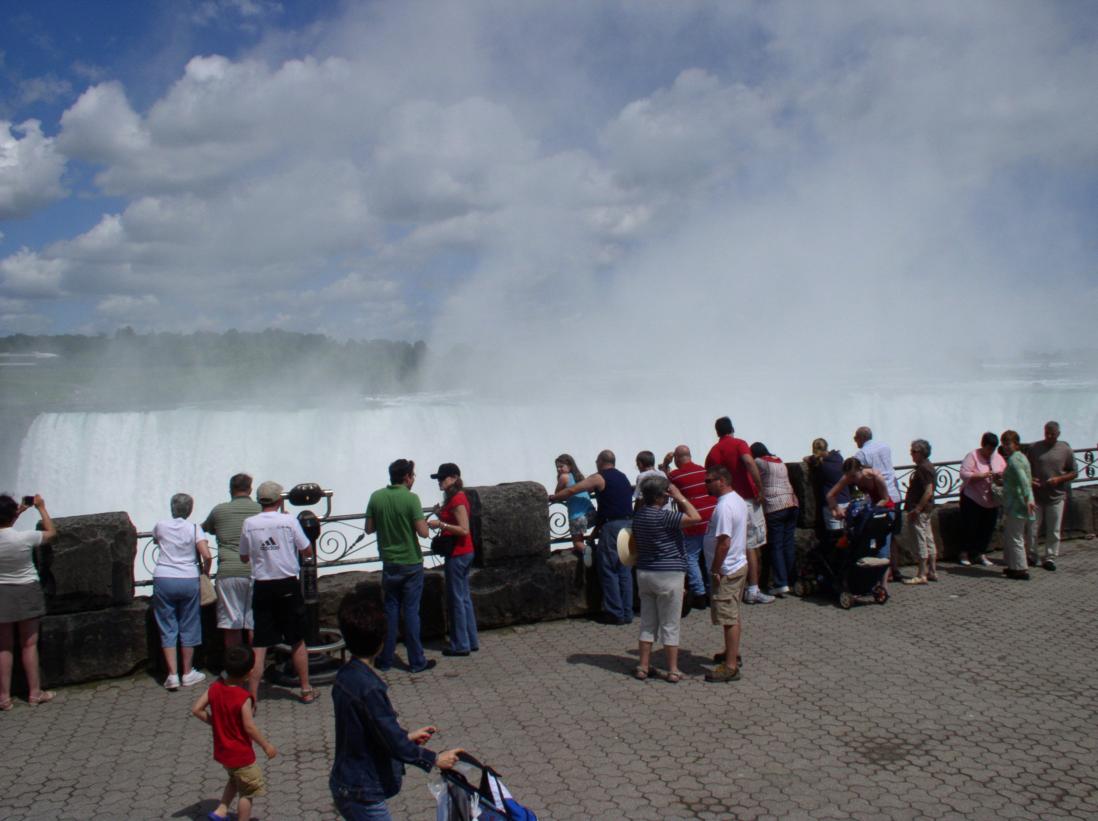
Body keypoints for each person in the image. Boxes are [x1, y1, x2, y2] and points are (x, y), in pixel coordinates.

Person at [330, 589, 461, 820]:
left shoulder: (344, 676)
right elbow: (391, 739)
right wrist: (434, 759)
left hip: (346, 782)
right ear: (381, 642)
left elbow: (372, 729)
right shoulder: (370, 688)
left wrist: (407, 737)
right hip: (363, 790)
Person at [239, 481, 315, 702]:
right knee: (297, 639)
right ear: (279, 500)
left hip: (262, 585)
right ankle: (306, 690)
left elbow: (243, 556)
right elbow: (307, 550)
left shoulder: (249, 523)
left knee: (260, 643)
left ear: (259, 501)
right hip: (287, 584)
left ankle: (252, 697)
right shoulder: (288, 521)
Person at [191, 646, 277, 821]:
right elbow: (249, 727)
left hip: (224, 752)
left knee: (235, 780)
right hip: (241, 755)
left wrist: (215, 722)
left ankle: (220, 812)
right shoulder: (242, 697)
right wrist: (266, 745)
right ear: (250, 672)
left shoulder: (215, 688)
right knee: (248, 791)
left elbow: (196, 709)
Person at [549, 450, 634, 625]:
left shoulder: (599, 477)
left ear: (601, 461)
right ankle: (627, 612)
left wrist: (554, 497)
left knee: (609, 570)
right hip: (628, 525)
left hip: (612, 527)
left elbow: (573, 489)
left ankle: (615, 613)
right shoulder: (623, 476)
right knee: (624, 570)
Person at [631, 474, 701, 683]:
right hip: (669, 573)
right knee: (670, 623)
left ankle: (643, 666)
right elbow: (695, 517)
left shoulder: (639, 516)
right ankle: (672, 669)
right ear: (660, 496)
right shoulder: (665, 517)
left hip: (645, 572)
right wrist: (680, 497)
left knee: (647, 622)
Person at [366, 459, 433, 672]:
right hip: (411, 563)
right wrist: (425, 522)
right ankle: (417, 661)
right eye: (413, 475)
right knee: (411, 612)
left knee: (391, 611)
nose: (414, 479)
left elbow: (369, 528)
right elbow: (423, 532)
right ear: (406, 477)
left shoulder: (376, 497)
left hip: (389, 562)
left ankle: (385, 659)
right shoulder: (411, 499)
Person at [705, 417, 772, 604]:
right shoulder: (739, 444)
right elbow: (749, 462)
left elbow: (709, 477)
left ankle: (737, 587)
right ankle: (753, 589)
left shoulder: (713, 451)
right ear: (732, 429)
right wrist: (760, 488)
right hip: (747, 499)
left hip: (726, 500)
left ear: (717, 432)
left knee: (731, 543)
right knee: (751, 545)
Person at [0, 494, 57, 709]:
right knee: (29, 644)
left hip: (2, 592)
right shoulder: (25, 538)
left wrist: (17, 512)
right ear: (12, 515)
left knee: (3, 646)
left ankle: (4, 698)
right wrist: (41, 508)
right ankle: (35, 693)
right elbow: (51, 533)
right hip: (27, 590)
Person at [152, 492, 212, 691]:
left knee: (167, 625)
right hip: (188, 578)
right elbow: (206, 555)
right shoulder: (194, 528)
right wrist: (205, 572)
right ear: (190, 510)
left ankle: (172, 675)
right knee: (189, 623)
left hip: (163, 577)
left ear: (172, 508)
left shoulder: (160, 526)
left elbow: (156, 541)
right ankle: (187, 673)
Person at [201, 473, 262, 648]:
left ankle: (235, 662)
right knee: (254, 623)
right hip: (257, 572)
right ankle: (256, 663)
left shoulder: (219, 511)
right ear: (250, 489)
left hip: (228, 572)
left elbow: (203, 529)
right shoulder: (260, 510)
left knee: (231, 624)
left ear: (230, 490)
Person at [701, 465, 749, 683]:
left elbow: (724, 542)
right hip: (736, 564)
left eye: (709, 481)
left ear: (721, 481)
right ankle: (731, 652)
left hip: (727, 568)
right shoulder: (736, 500)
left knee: (728, 617)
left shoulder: (724, 507)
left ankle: (730, 666)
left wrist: (715, 569)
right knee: (732, 613)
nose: (706, 485)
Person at [426, 463, 479, 657]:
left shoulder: (457, 499)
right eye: (438, 478)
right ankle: (471, 640)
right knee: (463, 598)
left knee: (456, 599)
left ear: (455, 478)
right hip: (464, 552)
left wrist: (441, 524)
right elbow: (456, 520)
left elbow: (464, 529)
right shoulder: (456, 497)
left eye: (443, 478)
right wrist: (441, 514)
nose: (439, 481)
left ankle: (460, 645)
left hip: (458, 553)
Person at [660, 445, 717, 610]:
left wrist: (665, 463)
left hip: (693, 521)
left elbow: (665, 482)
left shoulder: (676, 475)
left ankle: (699, 594)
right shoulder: (703, 471)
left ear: (677, 459)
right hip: (711, 519)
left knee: (691, 558)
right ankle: (713, 591)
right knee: (709, 558)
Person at [853, 426, 905, 581]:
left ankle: (882, 573)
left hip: (881, 499)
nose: (855, 441)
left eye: (855, 438)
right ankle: (894, 569)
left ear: (861, 438)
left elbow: (859, 476)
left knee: (880, 537)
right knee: (893, 535)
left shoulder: (861, 454)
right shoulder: (885, 447)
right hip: (895, 494)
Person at [1025, 421, 1077, 571]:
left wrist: (1059, 479)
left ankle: (1050, 557)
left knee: (1053, 529)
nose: (1048, 436)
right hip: (1036, 495)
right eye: (1046, 433)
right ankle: (1032, 555)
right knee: (1032, 527)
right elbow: (1026, 468)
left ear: (1058, 434)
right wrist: (1030, 480)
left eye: (1052, 434)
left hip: (1056, 496)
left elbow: (1074, 472)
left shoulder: (1065, 449)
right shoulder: (1034, 448)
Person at [750, 443, 799, 597]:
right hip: (792, 503)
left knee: (776, 545)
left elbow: (752, 475)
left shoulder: (759, 462)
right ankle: (793, 580)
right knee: (788, 544)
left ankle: (781, 583)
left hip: (775, 506)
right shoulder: (779, 460)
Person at [958, 432, 1006, 566]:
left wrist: (999, 477)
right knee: (970, 527)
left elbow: (1004, 472)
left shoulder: (998, 458)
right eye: (988, 448)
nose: (990, 452)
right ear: (983, 445)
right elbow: (963, 474)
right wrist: (982, 476)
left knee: (987, 528)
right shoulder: (972, 455)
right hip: (973, 498)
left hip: (992, 500)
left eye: (993, 449)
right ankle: (964, 553)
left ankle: (980, 553)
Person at [999, 430, 1036, 580]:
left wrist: (1029, 499)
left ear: (1016, 444)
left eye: (1008, 444)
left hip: (1017, 504)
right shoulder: (1021, 457)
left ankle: (1021, 569)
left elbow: (1023, 481)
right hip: (1018, 503)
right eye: (1004, 444)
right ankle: (1013, 566)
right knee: (1012, 536)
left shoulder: (1014, 460)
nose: (1005, 447)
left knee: (1016, 537)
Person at [902, 439, 939, 586]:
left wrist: (917, 509)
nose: (911, 454)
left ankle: (922, 574)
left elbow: (928, 491)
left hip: (920, 510)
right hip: (926, 509)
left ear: (921, 453)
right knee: (928, 539)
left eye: (913, 451)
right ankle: (932, 571)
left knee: (920, 540)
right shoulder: (928, 466)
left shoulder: (924, 468)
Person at [805, 438, 849, 536]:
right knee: (847, 534)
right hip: (845, 499)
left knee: (835, 536)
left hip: (832, 503)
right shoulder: (838, 457)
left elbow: (805, 458)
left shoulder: (820, 464)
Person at [554, 454, 595, 555]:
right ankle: (591, 547)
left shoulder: (564, 477)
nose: (559, 469)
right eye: (557, 467)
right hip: (591, 513)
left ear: (569, 465)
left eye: (561, 466)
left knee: (577, 543)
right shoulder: (580, 478)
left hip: (577, 516)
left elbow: (557, 494)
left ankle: (589, 552)